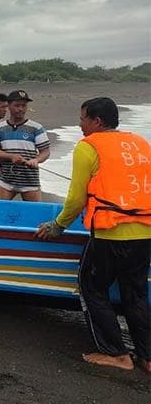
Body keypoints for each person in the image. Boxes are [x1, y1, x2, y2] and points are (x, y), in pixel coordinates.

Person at [36, 97, 150, 372]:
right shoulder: (140, 143)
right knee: (135, 294)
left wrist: (57, 226)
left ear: (97, 121)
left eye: (83, 118)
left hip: (111, 233)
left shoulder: (88, 146)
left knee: (92, 288)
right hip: (145, 231)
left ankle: (117, 354)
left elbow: (75, 200)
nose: (80, 123)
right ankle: (147, 357)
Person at [0, 90, 50, 201]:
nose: (20, 109)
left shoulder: (36, 128)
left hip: (30, 181)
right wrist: (11, 156)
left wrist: (36, 160)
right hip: (7, 179)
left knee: (35, 216)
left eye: (24, 105)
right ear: (9, 106)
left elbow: (45, 152)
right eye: (17, 105)